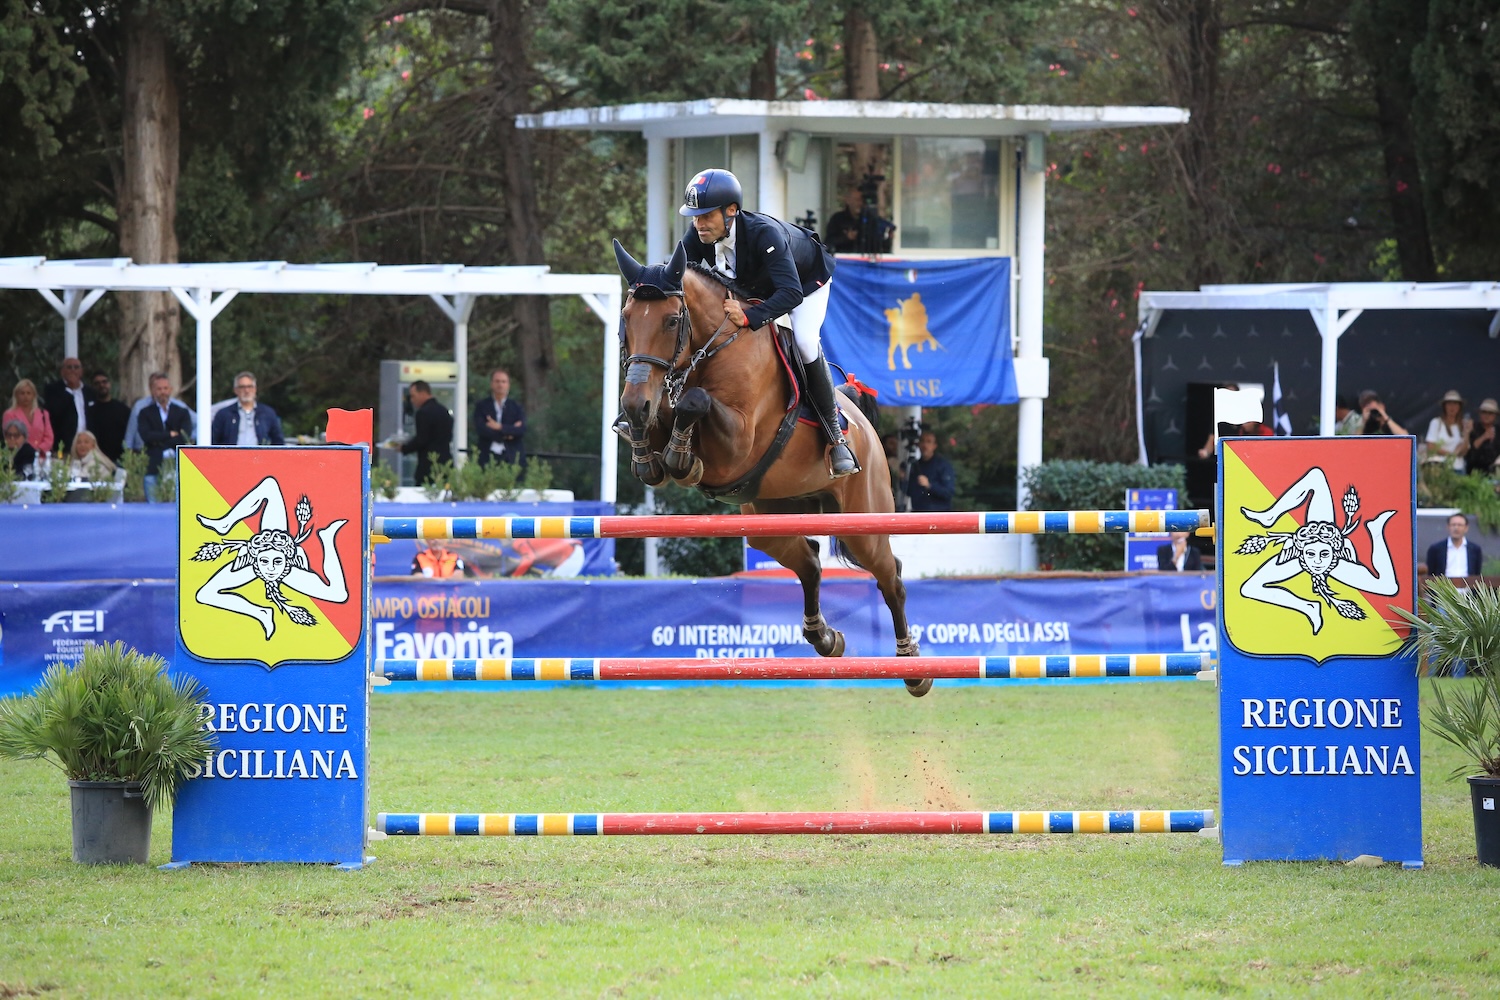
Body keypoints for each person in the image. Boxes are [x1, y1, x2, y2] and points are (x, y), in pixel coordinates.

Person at [677, 168, 857, 476]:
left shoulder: (764, 234)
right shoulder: (700, 235)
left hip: (804, 281)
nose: (699, 224)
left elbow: (790, 295)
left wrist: (749, 317)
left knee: (803, 340)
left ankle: (835, 437)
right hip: (753, 286)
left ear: (731, 210)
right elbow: (676, 274)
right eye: (695, 217)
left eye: (706, 216)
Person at [136, 372, 193, 503]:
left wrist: (159, 441)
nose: (163, 392)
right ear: (153, 390)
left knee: (176, 504)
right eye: (159, 389)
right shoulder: (145, 413)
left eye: (165, 388)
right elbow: (146, 436)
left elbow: (184, 436)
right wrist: (170, 434)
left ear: (171, 390)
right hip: (153, 465)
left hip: (177, 465)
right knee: (153, 505)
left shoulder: (181, 412)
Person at [210, 371, 285, 446]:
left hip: (260, 457)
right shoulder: (224, 414)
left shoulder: (268, 413)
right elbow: (213, 441)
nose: (246, 390)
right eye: (242, 387)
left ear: (255, 389)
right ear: (235, 390)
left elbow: (278, 441)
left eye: (250, 386)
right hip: (232, 457)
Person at [401, 380, 453, 485]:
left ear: (423, 393)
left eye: (413, 396)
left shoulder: (423, 413)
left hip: (427, 466)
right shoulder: (444, 411)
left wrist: (404, 448)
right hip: (445, 464)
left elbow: (421, 439)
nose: (412, 400)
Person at [42, 357, 96, 456]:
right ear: (62, 372)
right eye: (69, 367)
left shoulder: (90, 392)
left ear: (81, 371)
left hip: (87, 448)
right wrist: (70, 390)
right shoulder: (53, 390)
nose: (73, 370)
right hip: (63, 448)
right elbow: (54, 413)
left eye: (76, 367)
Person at [474, 368, 525, 466]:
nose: (500, 385)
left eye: (503, 382)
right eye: (497, 381)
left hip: (511, 457)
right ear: (492, 384)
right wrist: (509, 432)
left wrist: (499, 427)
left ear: (508, 385)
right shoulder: (482, 406)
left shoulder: (516, 407)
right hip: (487, 456)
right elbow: (481, 429)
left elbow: (521, 430)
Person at [907, 429, 955, 512]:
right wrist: (902, 479)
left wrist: (930, 486)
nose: (925, 445)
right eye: (922, 441)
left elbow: (948, 492)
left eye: (929, 442)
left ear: (934, 446)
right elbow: (909, 492)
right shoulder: (916, 466)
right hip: (918, 514)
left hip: (938, 515)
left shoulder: (943, 465)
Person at [88, 372, 131, 463]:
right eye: (97, 383)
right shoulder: (89, 411)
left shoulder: (123, 408)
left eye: (104, 382)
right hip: (98, 460)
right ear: (93, 387)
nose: (101, 385)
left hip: (121, 459)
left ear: (109, 384)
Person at [1426, 512, 1482, 581]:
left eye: (1460, 525)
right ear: (1448, 527)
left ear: (1466, 528)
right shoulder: (1436, 549)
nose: (1456, 528)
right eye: (1453, 525)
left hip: (1467, 590)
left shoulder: (1475, 549)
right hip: (1444, 590)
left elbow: (1476, 574)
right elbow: (1431, 574)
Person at [1423, 390, 1469, 472]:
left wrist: (1467, 433)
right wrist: (1452, 454)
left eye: (1455, 404)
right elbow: (1431, 447)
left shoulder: (1463, 425)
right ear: (1444, 406)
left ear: (1459, 407)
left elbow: (1464, 452)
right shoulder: (1436, 423)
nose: (1452, 407)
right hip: (1440, 468)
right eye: (1449, 404)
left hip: (1459, 468)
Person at [3, 379, 53, 455]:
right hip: (18, 456)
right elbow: (9, 438)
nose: (25, 396)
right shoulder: (9, 414)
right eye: (22, 393)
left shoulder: (43, 414)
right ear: (16, 395)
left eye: (28, 393)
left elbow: (49, 437)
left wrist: (38, 450)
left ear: (34, 395)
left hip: (40, 457)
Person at [1468, 399, 1499, 476]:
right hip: (1475, 471)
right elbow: (1471, 449)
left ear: (1495, 416)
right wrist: (1484, 436)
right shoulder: (1473, 428)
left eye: (1490, 413)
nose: (1487, 416)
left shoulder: (1498, 430)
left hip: (1494, 472)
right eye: (1484, 412)